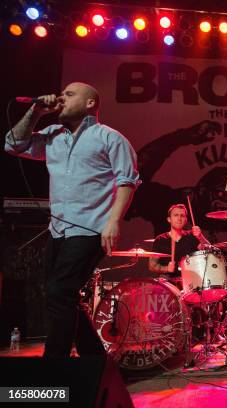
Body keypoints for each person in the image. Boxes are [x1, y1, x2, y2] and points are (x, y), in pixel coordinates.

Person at [4, 82, 140, 357]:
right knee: (62, 294)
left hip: (91, 227)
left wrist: (114, 222)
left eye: (69, 94)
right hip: (58, 229)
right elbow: (12, 144)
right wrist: (36, 111)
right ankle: (96, 361)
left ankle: (55, 369)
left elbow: (127, 181)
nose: (61, 98)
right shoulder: (52, 135)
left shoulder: (109, 138)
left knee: (59, 290)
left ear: (90, 103)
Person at [148, 204, 212, 278]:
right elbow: (152, 266)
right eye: (176, 215)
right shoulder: (160, 240)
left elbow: (209, 251)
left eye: (182, 216)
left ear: (185, 220)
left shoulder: (192, 236)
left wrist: (200, 236)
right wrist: (166, 269)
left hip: (191, 280)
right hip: (168, 282)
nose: (179, 218)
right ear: (169, 219)